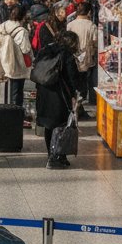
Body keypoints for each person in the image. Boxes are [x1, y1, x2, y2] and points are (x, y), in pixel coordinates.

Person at [35, 31, 81, 169]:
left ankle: (52, 154)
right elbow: (72, 77)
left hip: (44, 92)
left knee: (50, 125)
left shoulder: (46, 50)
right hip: (60, 94)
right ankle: (57, 156)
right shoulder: (67, 55)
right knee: (61, 125)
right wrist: (76, 93)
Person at [0, 6, 32, 107]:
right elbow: (25, 49)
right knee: (16, 93)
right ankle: (15, 115)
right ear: (23, 16)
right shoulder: (22, 31)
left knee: (4, 93)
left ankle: (4, 113)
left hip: (3, 62)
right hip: (17, 66)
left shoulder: (1, 27)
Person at [69, 1, 97, 100]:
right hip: (87, 57)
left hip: (72, 56)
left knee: (74, 77)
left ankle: (75, 99)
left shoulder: (70, 24)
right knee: (84, 78)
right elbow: (95, 41)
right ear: (89, 12)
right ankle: (82, 99)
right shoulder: (91, 25)